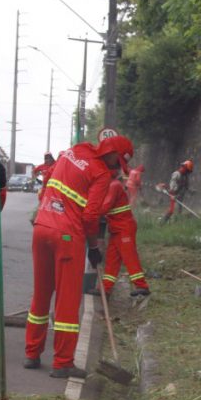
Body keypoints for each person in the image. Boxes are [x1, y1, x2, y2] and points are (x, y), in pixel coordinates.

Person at [23, 134, 135, 378]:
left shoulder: (75, 151)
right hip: (67, 236)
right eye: (119, 162)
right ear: (113, 154)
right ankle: (62, 362)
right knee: (67, 299)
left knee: (41, 294)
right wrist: (94, 247)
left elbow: (48, 183)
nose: (117, 168)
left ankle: (32, 353)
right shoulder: (101, 174)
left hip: (41, 227)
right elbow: (90, 216)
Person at [101, 173, 150, 298]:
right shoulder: (111, 186)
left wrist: (88, 212)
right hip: (116, 228)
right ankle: (106, 288)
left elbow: (105, 207)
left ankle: (142, 286)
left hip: (124, 228)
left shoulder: (114, 185)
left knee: (129, 257)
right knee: (112, 260)